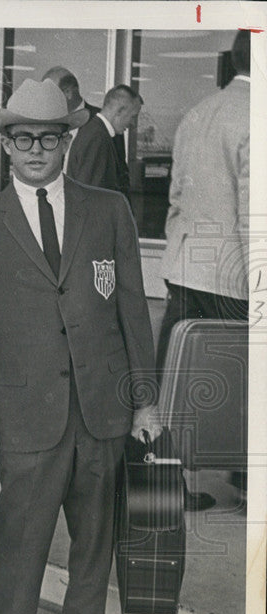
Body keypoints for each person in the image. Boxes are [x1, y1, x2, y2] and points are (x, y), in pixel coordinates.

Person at [0, 79, 161, 614]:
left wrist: (143, 397)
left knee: (95, 536)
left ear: (67, 141)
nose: (36, 149)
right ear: (7, 147)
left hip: (102, 407)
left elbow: (131, 311)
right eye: (22, 139)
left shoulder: (108, 209)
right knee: (22, 533)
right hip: (25, 411)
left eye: (48, 137)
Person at [156, 30, 250, 507]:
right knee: (248, 381)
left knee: (175, 381)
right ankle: (250, 479)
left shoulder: (197, 112)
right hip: (234, 274)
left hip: (186, 264)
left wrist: (178, 254)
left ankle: (165, 483)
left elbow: (176, 195)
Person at [66, 84, 142, 195]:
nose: (133, 123)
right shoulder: (97, 138)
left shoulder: (95, 132)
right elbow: (90, 195)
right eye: (133, 117)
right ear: (119, 111)